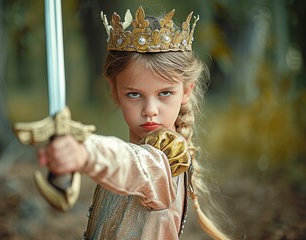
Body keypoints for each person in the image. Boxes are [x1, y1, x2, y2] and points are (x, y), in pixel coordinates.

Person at [38, 6, 230, 240]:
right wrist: (62, 169)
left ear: (186, 91)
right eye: (134, 94)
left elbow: (136, 166)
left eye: (165, 93)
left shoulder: (168, 160)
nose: (150, 110)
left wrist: (85, 152)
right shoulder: (127, 160)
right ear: (115, 92)